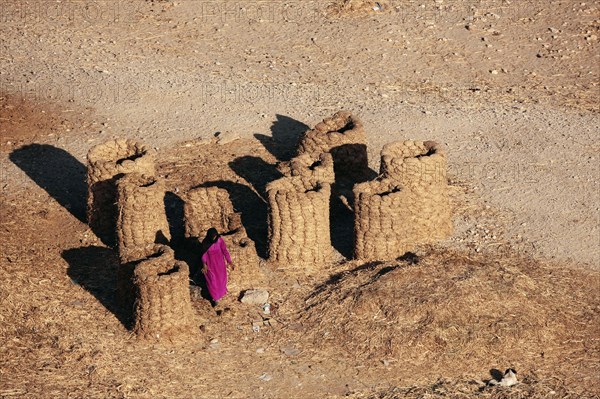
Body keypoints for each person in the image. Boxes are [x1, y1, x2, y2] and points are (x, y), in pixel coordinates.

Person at [200, 228, 234, 305]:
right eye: (212, 237)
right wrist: (204, 264)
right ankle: (215, 298)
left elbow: (224, 250)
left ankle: (220, 295)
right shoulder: (205, 243)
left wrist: (229, 261)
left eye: (215, 236)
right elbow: (204, 255)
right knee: (212, 281)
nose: (213, 238)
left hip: (220, 264)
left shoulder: (219, 240)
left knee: (221, 279)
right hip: (211, 264)